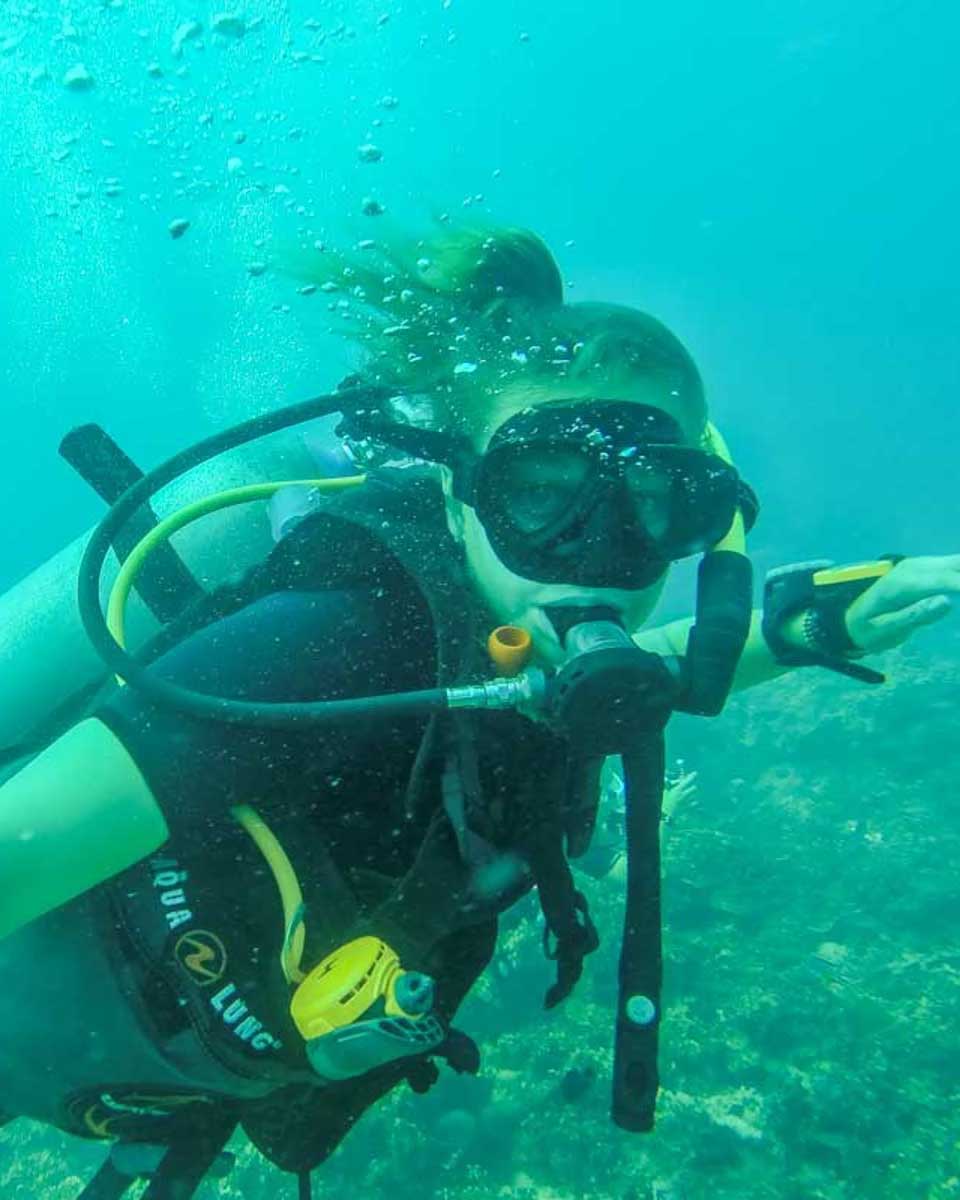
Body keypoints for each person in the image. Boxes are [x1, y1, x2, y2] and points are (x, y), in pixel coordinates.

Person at [0, 223, 957, 1200]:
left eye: (661, 506)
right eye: (541, 495)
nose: (599, 557)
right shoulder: (332, 641)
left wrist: (798, 629)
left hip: (145, 1078)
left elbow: (603, 671)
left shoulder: (514, 638)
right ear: (459, 497)